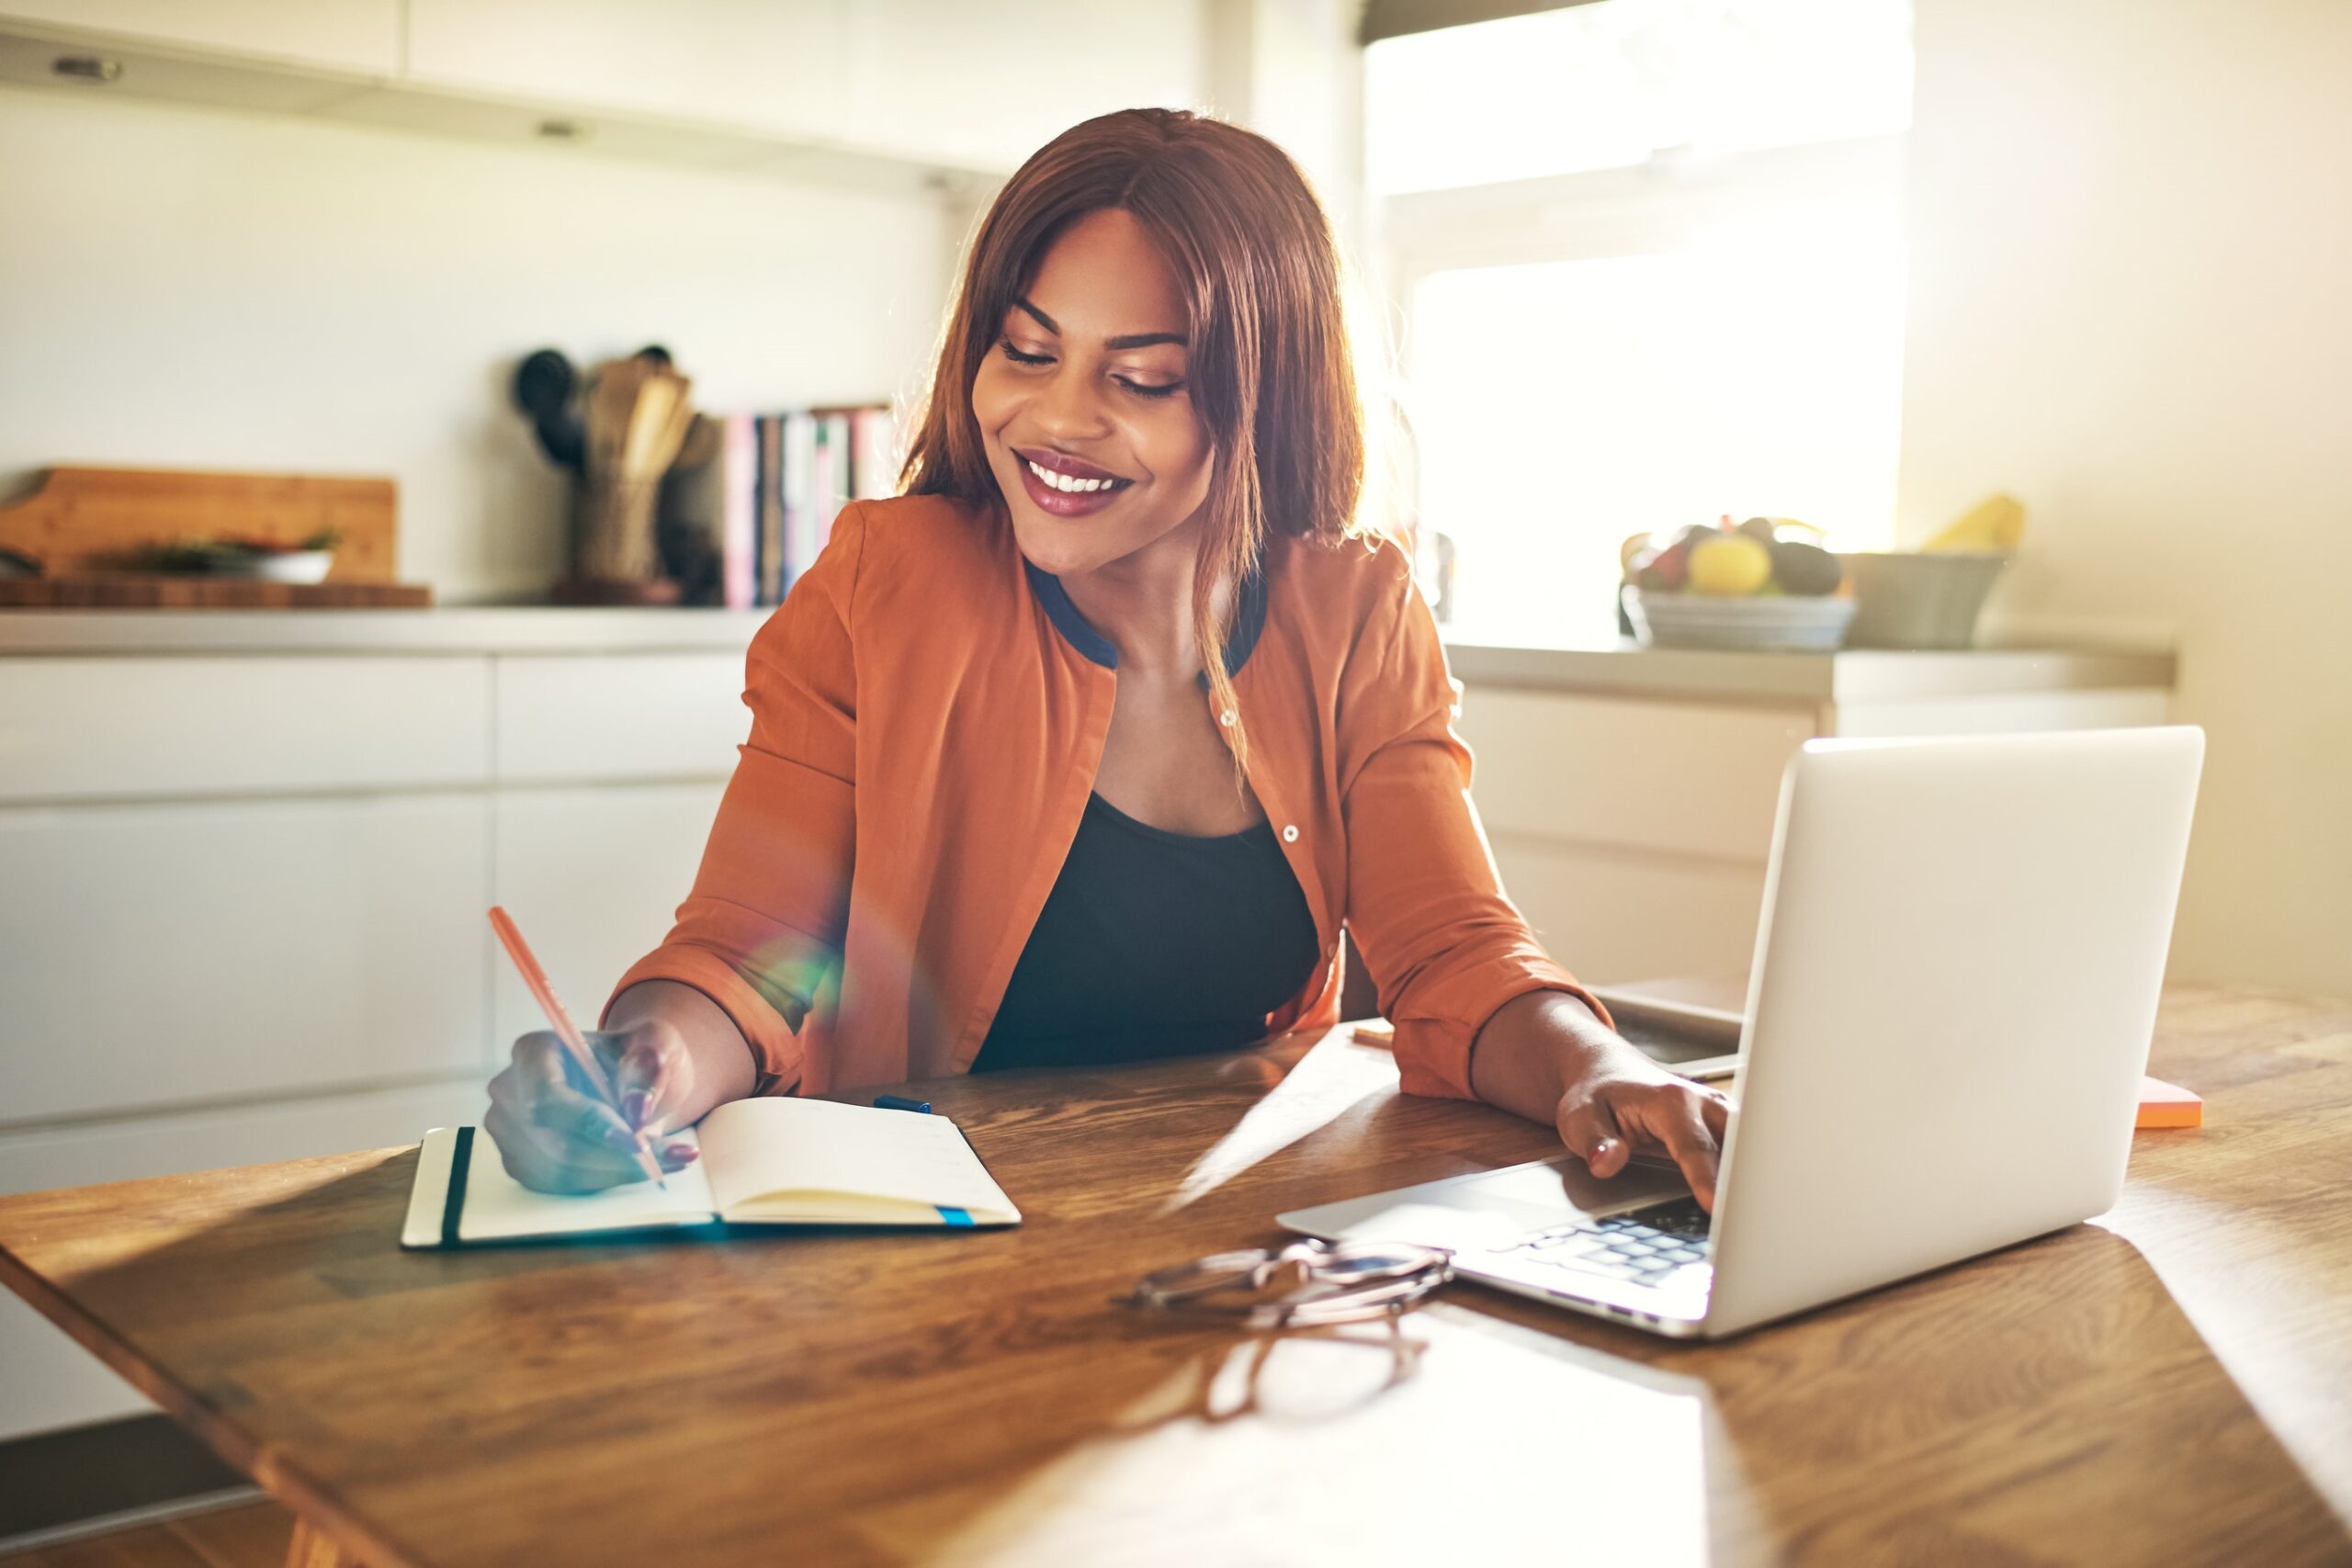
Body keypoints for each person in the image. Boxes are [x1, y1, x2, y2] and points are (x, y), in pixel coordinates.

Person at [485, 107, 1729, 1206]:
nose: (1057, 419)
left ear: (1262, 401)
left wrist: (1597, 1065)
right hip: (907, 1248)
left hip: (1228, 1242)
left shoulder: (1356, 612)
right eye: (1027, 352)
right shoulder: (884, 582)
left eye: (1141, 378)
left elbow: (1456, 955)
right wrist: (641, 1061)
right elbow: (741, 959)